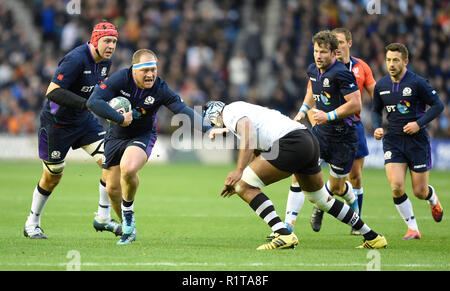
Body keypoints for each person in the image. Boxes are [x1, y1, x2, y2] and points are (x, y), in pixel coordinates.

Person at [205, 100, 387, 250]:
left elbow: (249, 136)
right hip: (307, 139)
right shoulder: (244, 110)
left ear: (214, 115)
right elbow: (258, 149)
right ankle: (372, 236)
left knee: (243, 185)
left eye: (213, 122)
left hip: (291, 142)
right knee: (321, 199)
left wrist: (239, 171)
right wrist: (248, 172)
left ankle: (283, 234)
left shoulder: (229, 112)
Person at [87, 49, 212, 245]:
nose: (150, 74)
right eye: (145, 70)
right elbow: (93, 101)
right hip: (115, 136)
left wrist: (207, 128)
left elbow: (182, 109)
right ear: (134, 70)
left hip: (142, 135)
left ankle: (128, 217)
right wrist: (119, 118)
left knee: (128, 169)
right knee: (112, 188)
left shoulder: (160, 87)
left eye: (153, 69)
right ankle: (128, 227)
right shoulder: (120, 79)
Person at [24, 21, 122, 239]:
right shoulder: (75, 59)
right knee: (52, 177)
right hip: (56, 124)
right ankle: (32, 222)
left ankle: (103, 217)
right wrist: (85, 104)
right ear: (95, 40)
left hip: (83, 121)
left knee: (111, 160)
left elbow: (97, 92)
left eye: (114, 41)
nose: (111, 46)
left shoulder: (106, 63)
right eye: (107, 40)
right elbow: (52, 91)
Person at [283, 28, 377, 236]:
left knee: (336, 187)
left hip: (343, 138)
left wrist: (329, 115)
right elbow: (312, 91)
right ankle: (287, 226)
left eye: (323, 52)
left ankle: (350, 199)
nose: (318, 56)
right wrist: (302, 112)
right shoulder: (313, 70)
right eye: (316, 51)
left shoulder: (342, 73)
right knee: (298, 173)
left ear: (334, 53)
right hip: (320, 134)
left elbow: (356, 105)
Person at [372, 43, 444, 240]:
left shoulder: (418, 83)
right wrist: (378, 126)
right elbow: (375, 110)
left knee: (420, 191)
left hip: (417, 142)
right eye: (388, 60)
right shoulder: (382, 85)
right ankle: (413, 229)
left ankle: (432, 198)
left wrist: (418, 124)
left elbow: (438, 106)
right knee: (396, 186)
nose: (391, 64)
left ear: (405, 61)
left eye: (395, 60)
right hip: (393, 141)